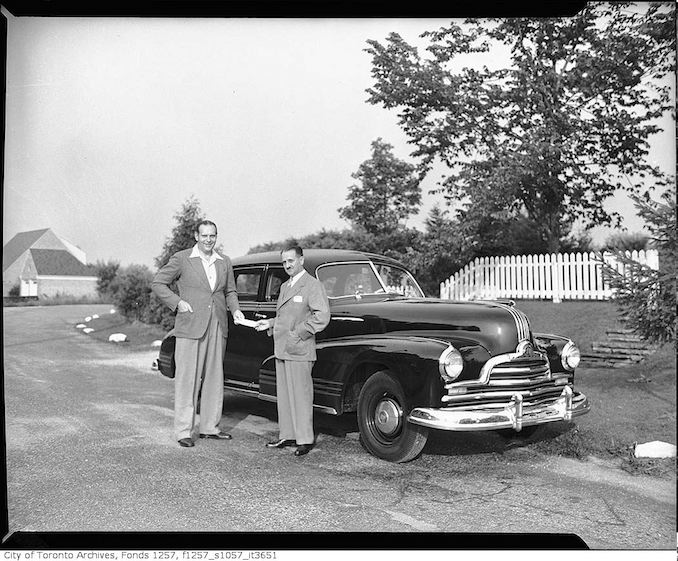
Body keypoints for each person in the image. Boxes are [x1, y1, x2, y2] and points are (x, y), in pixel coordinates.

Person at [152, 220, 244, 448]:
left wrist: (236, 310)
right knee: (187, 379)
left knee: (214, 377)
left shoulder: (224, 261)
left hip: (218, 325)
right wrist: (177, 303)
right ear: (196, 236)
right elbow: (158, 283)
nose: (209, 240)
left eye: (212, 235)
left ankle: (210, 428)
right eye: (204, 235)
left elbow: (230, 291)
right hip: (190, 324)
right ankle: (184, 430)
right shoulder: (182, 259)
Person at [255, 245, 330, 456]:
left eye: (291, 261)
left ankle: (305, 439)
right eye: (284, 262)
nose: (287, 265)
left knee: (301, 396)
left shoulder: (313, 285)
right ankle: (287, 435)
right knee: (286, 396)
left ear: (301, 260)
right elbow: (285, 318)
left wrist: (300, 333)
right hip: (282, 347)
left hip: (299, 349)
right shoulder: (285, 286)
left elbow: (322, 316)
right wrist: (270, 323)